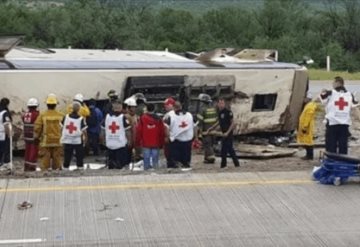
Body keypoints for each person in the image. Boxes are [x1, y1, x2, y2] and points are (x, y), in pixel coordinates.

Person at [320, 76, 358, 154]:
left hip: (332, 123)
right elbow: (354, 106)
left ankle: (331, 161)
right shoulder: (350, 95)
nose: (332, 84)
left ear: (338, 83)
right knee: (343, 145)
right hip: (344, 123)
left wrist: (323, 92)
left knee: (331, 145)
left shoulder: (330, 93)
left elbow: (322, 100)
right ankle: (343, 162)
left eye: (333, 83)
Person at [206, 98, 240, 168]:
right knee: (225, 150)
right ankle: (224, 165)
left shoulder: (228, 112)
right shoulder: (220, 112)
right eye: (220, 103)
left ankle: (235, 164)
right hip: (223, 133)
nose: (221, 105)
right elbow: (219, 122)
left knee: (229, 150)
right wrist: (212, 128)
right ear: (218, 104)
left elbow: (233, 123)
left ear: (224, 104)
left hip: (228, 133)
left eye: (222, 103)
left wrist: (228, 132)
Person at [34, 94, 64, 171]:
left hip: (46, 141)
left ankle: (45, 172)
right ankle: (57, 171)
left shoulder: (42, 115)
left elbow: (37, 127)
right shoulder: (60, 115)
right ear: (55, 105)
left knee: (45, 157)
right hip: (57, 140)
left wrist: (37, 137)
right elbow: (64, 127)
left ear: (47, 105)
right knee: (57, 157)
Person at [165, 101, 194, 170]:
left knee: (174, 161)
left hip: (176, 140)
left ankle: (175, 165)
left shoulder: (170, 115)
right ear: (181, 106)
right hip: (187, 140)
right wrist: (194, 137)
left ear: (173, 107)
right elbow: (194, 126)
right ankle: (186, 164)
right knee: (186, 160)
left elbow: (166, 127)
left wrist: (167, 137)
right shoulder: (189, 115)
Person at [136, 103, 165, 170]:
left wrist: (137, 141)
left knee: (146, 157)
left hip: (146, 142)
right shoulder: (158, 119)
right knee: (155, 158)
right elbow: (162, 131)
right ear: (154, 109)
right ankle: (156, 169)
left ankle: (146, 170)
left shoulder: (142, 118)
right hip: (156, 142)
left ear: (147, 109)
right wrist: (161, 142)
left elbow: (139, 130)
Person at [103, 100, 131, 169]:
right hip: (120, 145)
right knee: (120, 165)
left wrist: (103, 140)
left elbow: (102, 130)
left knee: (111, 165)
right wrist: (130, 140)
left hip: (110, 144)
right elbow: (128, 131)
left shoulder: (107, 117)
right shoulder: (123, 117)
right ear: (121, 107)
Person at [61, 102, 87, 170]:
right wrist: (86, 139)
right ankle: (80, 167)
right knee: (79, 155)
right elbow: (84, 130)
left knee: (67, 155)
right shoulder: (81, 119)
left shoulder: (65, 117)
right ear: (79, 110)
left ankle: (65, 168)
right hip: (77, 140)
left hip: (67, 140)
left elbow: (61, 127)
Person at [197, 93, 217, 164]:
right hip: (213, 131)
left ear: (203, 102)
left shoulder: (202, 109)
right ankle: (207, 158)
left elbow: (200, 122)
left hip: (206, 130)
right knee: (210, 144)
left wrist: (199, 132)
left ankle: (211, 158)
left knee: (207, 144)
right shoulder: (213, 109)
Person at [22, 98, 40, 171]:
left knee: (27, 151)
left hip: (26, 136)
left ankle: (26, 166)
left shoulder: (25, 114)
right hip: (34, 136)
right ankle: (31, 167)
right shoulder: (36, 114)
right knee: (33, 152)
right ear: (36, 106)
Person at [163, 97, 176, 168]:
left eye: (167, 105)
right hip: (177, 138)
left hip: (170, 138)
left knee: (169, 154)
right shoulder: (177, 113)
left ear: (171, 105)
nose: (165, 106)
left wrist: (166, 137)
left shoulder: (168, 115)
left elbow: (165, 127)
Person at [0, 98, 12, 170]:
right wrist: (9, 134)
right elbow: (6, 125)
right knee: (6, 149)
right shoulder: (5, 113)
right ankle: (5, 164)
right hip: (3, 134)